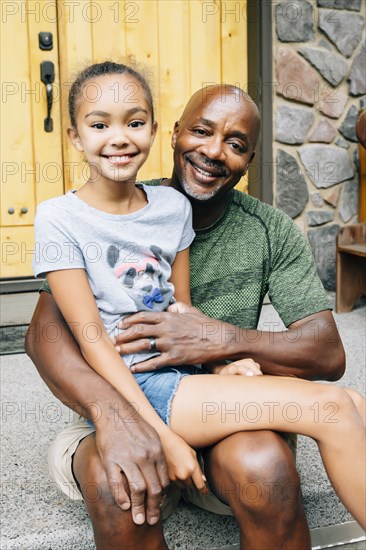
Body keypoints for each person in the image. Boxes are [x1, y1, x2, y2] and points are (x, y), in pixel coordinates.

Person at [25, 61, 355, 550]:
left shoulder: (228, 222)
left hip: (199, 392)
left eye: (237, 144)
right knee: (116, 485)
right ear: (176, 134)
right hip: (123, 393)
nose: (213, 152)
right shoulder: (84, 214)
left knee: (274, 461)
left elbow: (327, 353)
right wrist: (118, 417)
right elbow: (45, 337)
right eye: (201, 131)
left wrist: (220, 345)